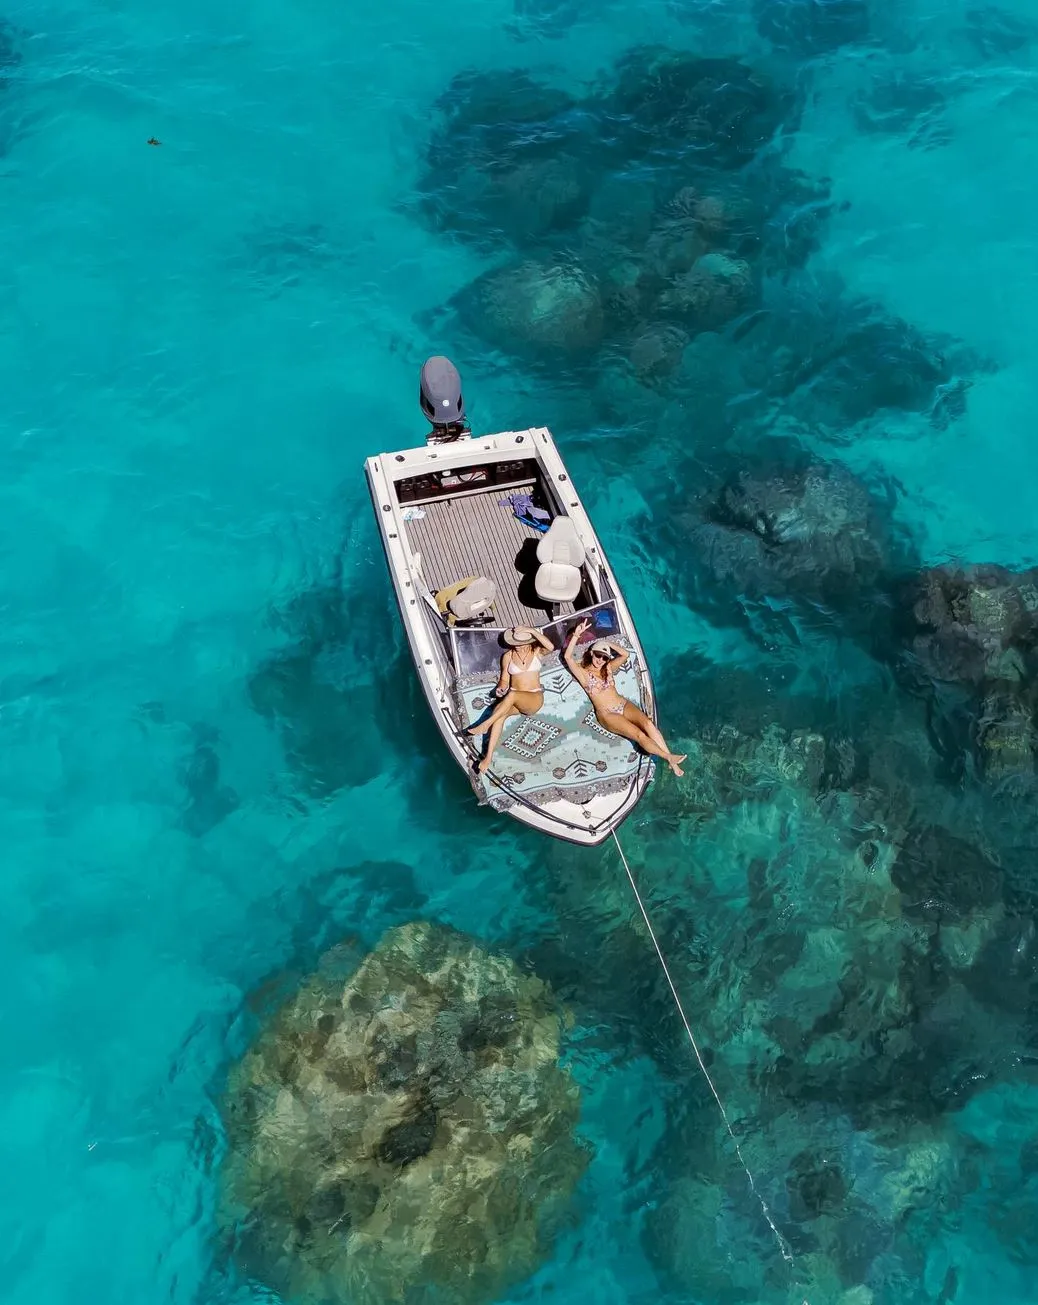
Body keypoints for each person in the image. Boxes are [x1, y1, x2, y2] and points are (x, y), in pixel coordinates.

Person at [564, 618, 686, 776]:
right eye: (598, 655)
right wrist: (576, 635)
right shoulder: (584, 674)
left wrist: (606, 643)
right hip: (607, 714)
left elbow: (625, 654)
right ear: (591, 653)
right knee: (639, 735)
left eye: (604, 657)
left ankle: (672, 762)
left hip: (623, 704)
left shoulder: (607, 668)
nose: (600, 660)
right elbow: (568, 658)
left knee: (648, 724)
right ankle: (668, 757)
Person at [466, 625, 554, 774]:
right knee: (499, 714)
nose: (516, 646)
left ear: (528, 642)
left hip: (533, 698)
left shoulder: (537, 652)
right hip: (512, 699)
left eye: (520, 643)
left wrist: (532, 631)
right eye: (514, 643)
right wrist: (500, 688)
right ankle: (487, 758)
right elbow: (504, 680)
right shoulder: (508, 656)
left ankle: (486, 724)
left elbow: (550, 647)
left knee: (511, 697)